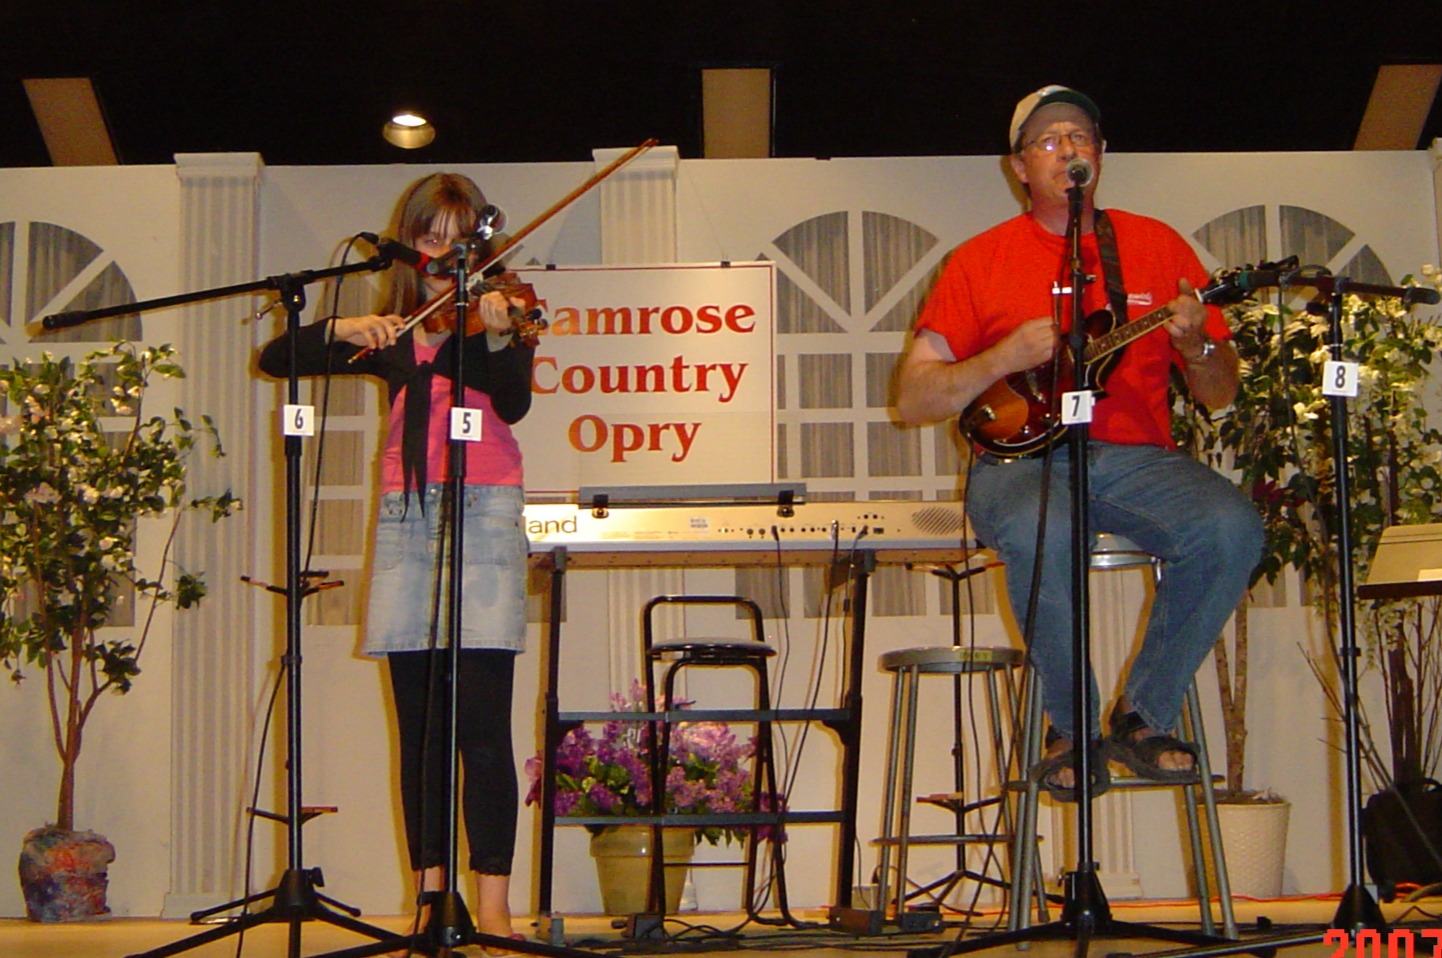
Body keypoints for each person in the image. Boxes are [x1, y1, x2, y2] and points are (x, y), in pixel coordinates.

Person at [895, 85, 1263, 800]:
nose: (1068, 147)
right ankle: (1070, 728)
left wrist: (1195, 347)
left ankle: (1142, 715)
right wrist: (998, 359)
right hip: (1020, 464)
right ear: (1019, 167)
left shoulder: (1155, 245)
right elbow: (913, 399)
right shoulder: (979, 261)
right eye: (1047, 139)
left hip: (1134, 457)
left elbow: (1220, 392)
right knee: (1044, 525)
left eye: (1081, 135)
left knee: (1231, 526)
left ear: (1101, 155)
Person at [259, 172, 534, 942]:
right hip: (406, 518)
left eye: (460, 239)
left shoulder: (492, 315)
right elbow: (276, 357)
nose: (445, 254)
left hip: (483, 514)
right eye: (432, 238)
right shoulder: (396, 331)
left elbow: (510, 402)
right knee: (419, 730)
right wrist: (346, 328)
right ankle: (430, 900)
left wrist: (497, 328)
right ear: (412, 244)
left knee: (483, 727)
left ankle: (497, 909)